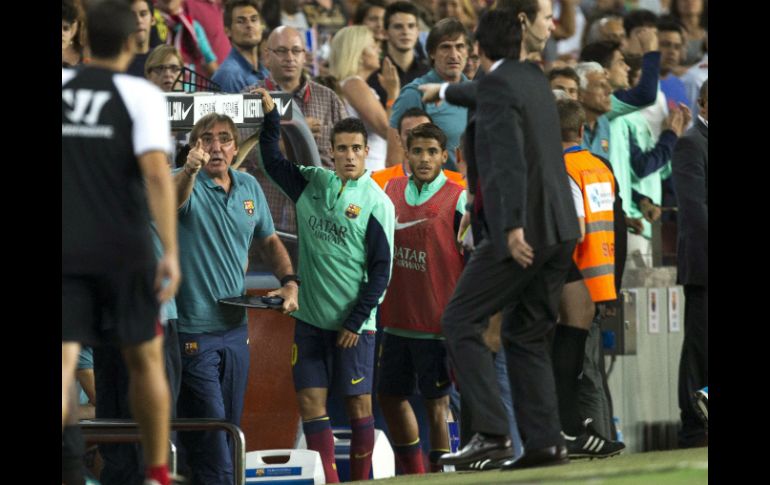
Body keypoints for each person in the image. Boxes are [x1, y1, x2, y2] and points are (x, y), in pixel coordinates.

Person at [436, 3, 580, 470]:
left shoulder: (498, 85)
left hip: (519, 233)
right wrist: (443, 89)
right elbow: (480, 94)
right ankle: (545, 443)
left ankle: (492, 435)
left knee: (459, 319)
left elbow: (508, 159)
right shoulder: (532, 78)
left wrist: (512, 227)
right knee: (526, 335)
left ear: (477, 49)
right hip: (560, 231)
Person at [62, 2, 180, 485]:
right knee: (146, 356)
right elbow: (156, 173)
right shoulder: (141, 94)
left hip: (67, 245)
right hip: (123, 247)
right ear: (136, 42)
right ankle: (157, 471)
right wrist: (170, 250)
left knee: (65, 356)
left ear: (83, 41)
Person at [256, 88, 395, 483]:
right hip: (313, 319)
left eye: (356, 148)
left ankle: (361, 480)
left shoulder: (377, 203)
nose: (349, 155)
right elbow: (272, 162)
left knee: (358, 406)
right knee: (310, 402)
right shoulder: (311, 183)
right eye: (341, 148)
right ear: (330, 151)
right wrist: (270, 121)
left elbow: (382, 272)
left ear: (367, 152)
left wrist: (355, 321)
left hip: (356, 327)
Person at [173, 112, 299, 485]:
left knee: (228, 426)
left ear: (234, 146)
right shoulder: (181, 182)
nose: (216, 146)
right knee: (216, 436)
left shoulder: (248, 187)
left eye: (224, 138)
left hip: (235, 329)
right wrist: (189, 171)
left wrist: (290, 281)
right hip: (193, 332)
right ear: (194, 146)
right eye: (206, 139)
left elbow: (269, 240)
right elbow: (174, 202)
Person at [378, 123, 466, 474]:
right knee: (388, 397)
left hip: (436, 323)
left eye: (432, 152)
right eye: (417, 151)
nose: (425, 158)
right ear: (407, 154)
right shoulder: (389, 190)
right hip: (397, 320)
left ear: (444, 156)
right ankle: (413, 472)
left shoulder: (458, 197)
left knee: (436, 405)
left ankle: (440, 472)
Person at [554, 98, 626, 459]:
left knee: (572, 366)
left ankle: (572, 433)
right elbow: (615, 226)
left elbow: (573, 229)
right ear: (583, 130)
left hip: (572, 281)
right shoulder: (600, 167)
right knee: (587, 369)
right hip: (600, 279)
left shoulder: (559, 169)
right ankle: (582, 433)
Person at [247, 26, 348, 169]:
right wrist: (297, 134)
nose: (289, 58)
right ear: (267, 56)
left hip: (321, 190)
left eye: (296, 51)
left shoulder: (328, 98)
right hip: (269, 191)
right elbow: (240, 155)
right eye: (281, 51)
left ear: (304, 56)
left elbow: (349, 147)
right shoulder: (251, 97)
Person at [672, 79, 708, 449]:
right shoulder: (690, 144)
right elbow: (695, 211)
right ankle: (694, 427)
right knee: (700, 347)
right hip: (704, 263)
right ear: (701, 104)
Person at [330, 25, 400, 171]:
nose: (379, 51)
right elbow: (387, 130)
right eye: (373, 47)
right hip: (369, 171)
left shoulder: (352, 84)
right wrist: (393, 93)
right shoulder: (353, 84)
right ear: (359, 54)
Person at [372, 108, 465, 189]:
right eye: (409, 134)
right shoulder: (378, 180)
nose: (418, 139)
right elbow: (357, 208)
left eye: (425, 133)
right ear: (399, 139)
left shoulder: (459, 183)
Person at [213, 0, 270, 93]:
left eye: (254, 19)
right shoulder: (228, 75)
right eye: (241, 21)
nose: (249, 25)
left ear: (261, 27)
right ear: (228, 31)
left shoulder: (266, 72)